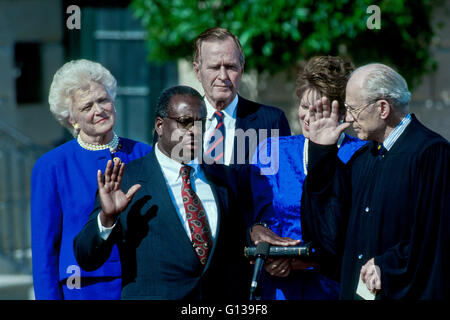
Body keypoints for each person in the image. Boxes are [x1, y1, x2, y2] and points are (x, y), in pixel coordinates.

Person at [74, 85, 239, 300]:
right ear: (160, 125)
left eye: (200, 123)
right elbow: (86, 257)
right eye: (185, 122)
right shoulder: (126, 180)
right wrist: (107, 218)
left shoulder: (224, 179)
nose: (195, 131)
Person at [302, 63, 449, 299]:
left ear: (382, 108)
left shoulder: (430, 153)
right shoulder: (363, 158)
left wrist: (388, 266)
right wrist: (322, 152)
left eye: (353, 108)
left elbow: (435, 238)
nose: (348, 118)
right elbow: (331, 233)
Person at [31, 59, 152, 300]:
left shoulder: (145, 154)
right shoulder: (51, 166)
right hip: (83, 289)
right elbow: (44, 253)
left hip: (142, 285)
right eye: (87, 106)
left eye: (103, 100)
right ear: (71, 118)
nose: (99, 110)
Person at [249, 56, 367, 300]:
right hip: (280, 287)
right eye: (304, 106)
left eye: (317, 110)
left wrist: (311, 259)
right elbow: (254, 215)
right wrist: (269, 255)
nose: (306, 117)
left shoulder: (360, 155)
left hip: (332, 286)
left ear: (342, 112)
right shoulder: (272, 151)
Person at [193, 27, 291, 166]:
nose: (223, 76)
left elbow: (283, 180)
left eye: (230, 67)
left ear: (242, 69)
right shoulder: (175, 123)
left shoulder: (271, 122)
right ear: (198, 72)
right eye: (214, 67)